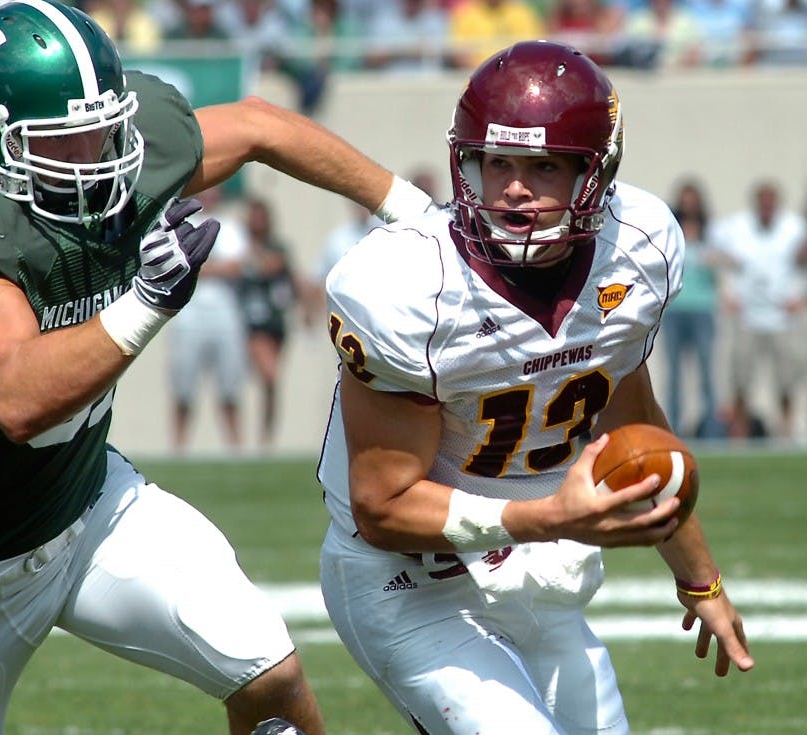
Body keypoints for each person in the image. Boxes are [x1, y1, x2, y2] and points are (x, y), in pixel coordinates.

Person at [0, 2, 434, 734]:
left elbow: (264, 124)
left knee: (270, 676)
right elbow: (15, 398)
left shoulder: (131, 147)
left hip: (90, 505)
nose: (101, 152)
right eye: (66, 140)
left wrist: (415, 213)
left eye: (104, 126)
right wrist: (144, 302)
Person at [316, 41, 753, 735]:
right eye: (498, 164)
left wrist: (700, 577)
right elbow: (383, 508)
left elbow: (632, 430)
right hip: (411, 581)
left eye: (543, 166)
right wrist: (547, 519)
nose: (514, 189)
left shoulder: (635, 248)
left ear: (594, 174)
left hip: (532, 573)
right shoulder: (408, 289)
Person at [711, 179, 807, 440]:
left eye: (770, 203)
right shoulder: (738, 227)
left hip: (782, 318)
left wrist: (801, 297)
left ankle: (785, 431)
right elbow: (709, 251)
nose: (766, 209)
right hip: (747, 317)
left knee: (786, 380)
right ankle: (739, 434)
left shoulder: (795, 229)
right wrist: (726, 292)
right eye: (762, 203)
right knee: (741, 379)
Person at [167, 185, 250, 451]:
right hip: (188, 315)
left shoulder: (231, 227)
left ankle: (235, 448)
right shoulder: (182, 224)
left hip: (225, 315)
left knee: (229, 387)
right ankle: (178, 448)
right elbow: (176, 266)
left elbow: (235, 267)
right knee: (183, 387)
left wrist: (199, 267)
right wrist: (211, 268)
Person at [660, 177, 729, 438]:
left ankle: (713, 433)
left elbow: (728, 262)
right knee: (674, 376)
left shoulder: (712, 231)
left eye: (693, 201)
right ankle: (673, 431)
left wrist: (711, 254)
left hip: (702, 309)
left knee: (707, 373)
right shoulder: (669, 229)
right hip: (675, 309)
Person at [237, 197, 302, 447]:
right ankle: (254, 439)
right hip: (251, 323)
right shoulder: (239, 245)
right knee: (269, 376)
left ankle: (266, 439)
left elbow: (283, 273)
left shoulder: (278, 247)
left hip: (275, 321)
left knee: (271, 383)